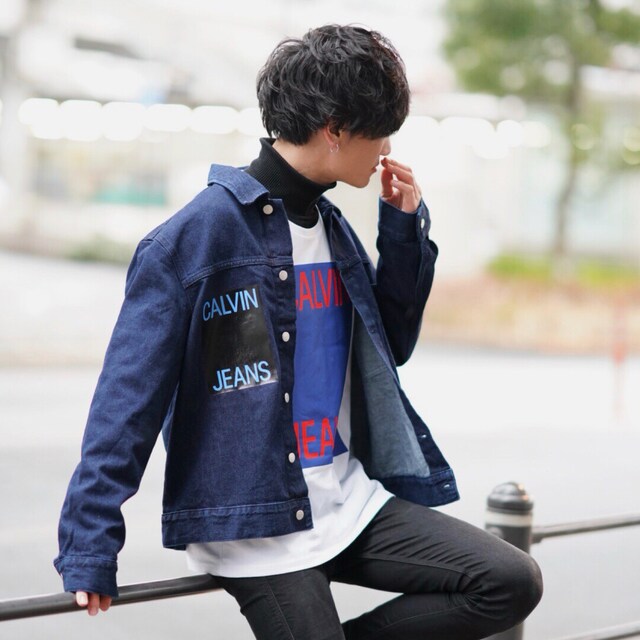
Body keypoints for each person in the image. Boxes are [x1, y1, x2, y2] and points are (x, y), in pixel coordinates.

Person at [54, 24, 542, 639]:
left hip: (345, 502)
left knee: (509, 579)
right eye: (380, 129)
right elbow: (126, 400)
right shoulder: (195, 239)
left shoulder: (332, 228)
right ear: (334, 129)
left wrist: (402, 231)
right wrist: (90, 542)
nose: (387, 146)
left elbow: (391, 345)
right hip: (257, 522)